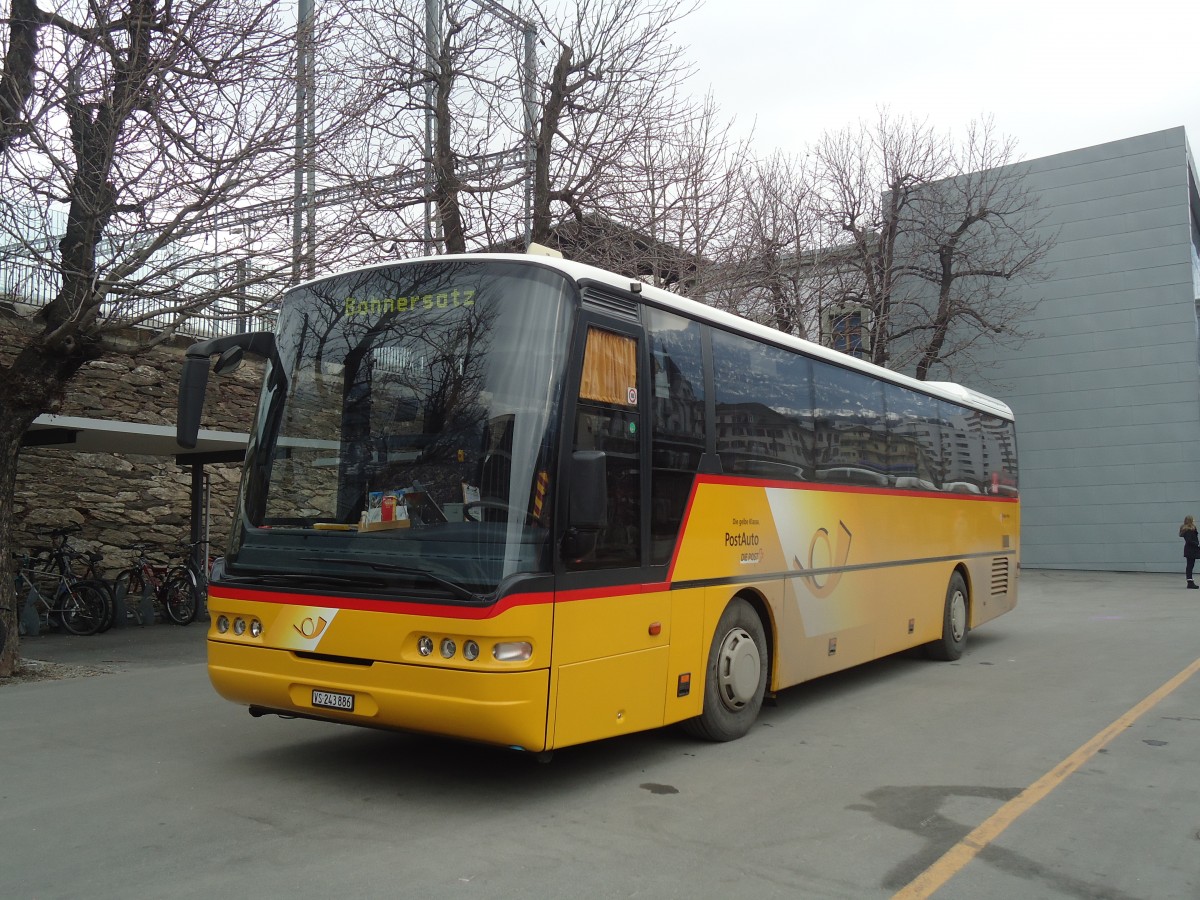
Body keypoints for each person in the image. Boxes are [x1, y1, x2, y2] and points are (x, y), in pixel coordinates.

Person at [1180, 516, 1199, 588]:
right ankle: (1190, 582)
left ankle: (1190, 581)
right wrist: (1196, 543)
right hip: (1191, 550)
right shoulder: (1188, 530)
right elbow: (1189, 540)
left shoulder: (1190, 530)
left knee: (1190, 565)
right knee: (1190, 565)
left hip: (1192, 549)